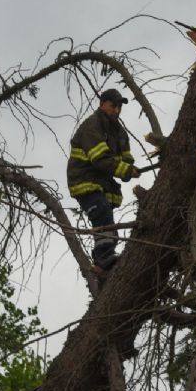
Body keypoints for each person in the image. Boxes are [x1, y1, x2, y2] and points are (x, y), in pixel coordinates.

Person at [67, 89, 141, 270]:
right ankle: (103, 258)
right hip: (84, 180)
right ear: (102, 104)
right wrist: (125, 170)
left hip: (102, 184)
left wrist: (129, 168)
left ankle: (104, 266)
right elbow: (100, 158)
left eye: (120, 107)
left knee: (107, 223)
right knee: (102, 214)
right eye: (113, 105)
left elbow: (125, 157)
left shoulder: (119, 132)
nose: (117, 110)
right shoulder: (92, 125)